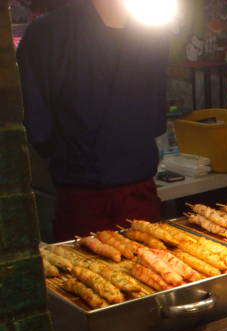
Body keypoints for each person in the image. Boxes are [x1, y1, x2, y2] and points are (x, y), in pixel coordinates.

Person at [17, 0, 169, 241]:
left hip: (124, 197)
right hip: (87, 199)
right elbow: (156, 121)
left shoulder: (152, 30)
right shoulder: (47, 34)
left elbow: (39, 130)